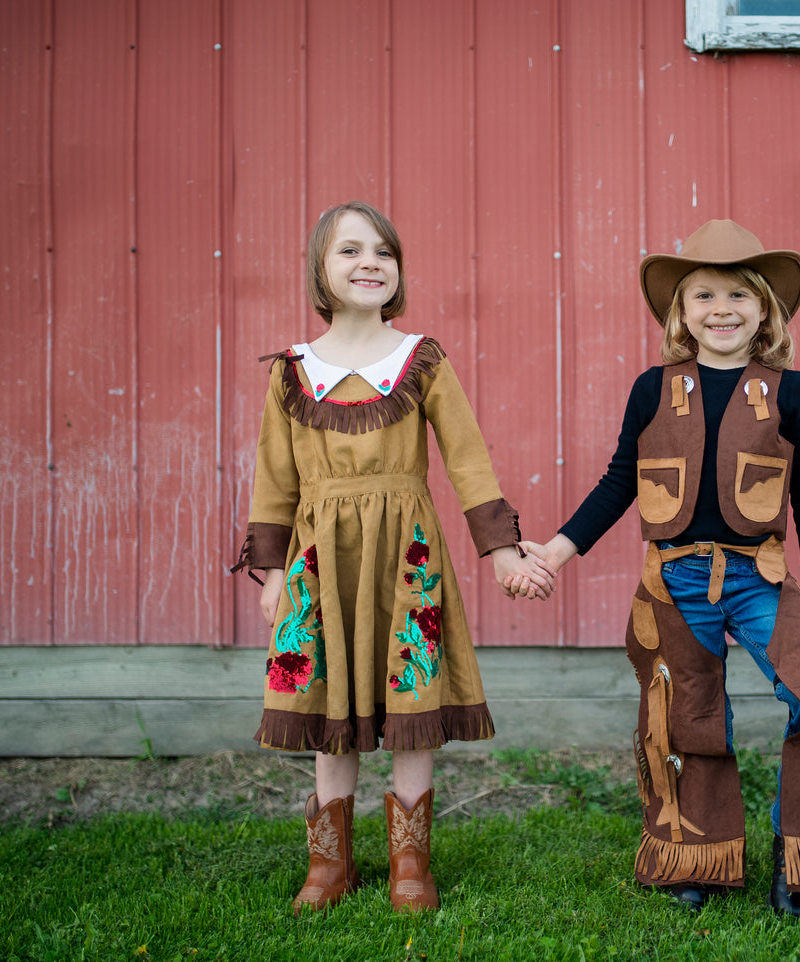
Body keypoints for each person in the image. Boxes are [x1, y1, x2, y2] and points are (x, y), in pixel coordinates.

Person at [521, 219, 800, 916]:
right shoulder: (651, 389)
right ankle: (698, 858)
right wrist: (558, 548)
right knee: (687, 716)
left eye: (737, 295)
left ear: (763, 309)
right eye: (702, 296)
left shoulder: (788, 390)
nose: (720, 310)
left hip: (761, 576)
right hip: (676, 578)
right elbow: (617, 481)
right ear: (680, 313)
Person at [231, 201, 555, 915]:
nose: (369, 262)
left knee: (411, 696)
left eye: (383, 251)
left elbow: (467, 460)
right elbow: (273, 477)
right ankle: (329, 864)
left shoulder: (420, 360)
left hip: (406, 557)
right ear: (321, 268)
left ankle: (411, 864)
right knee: (330, 699)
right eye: (349, 250)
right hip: (322, 560)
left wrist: (501, 551)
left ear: (398, 270)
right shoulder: (292, 371)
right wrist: (276, 571)